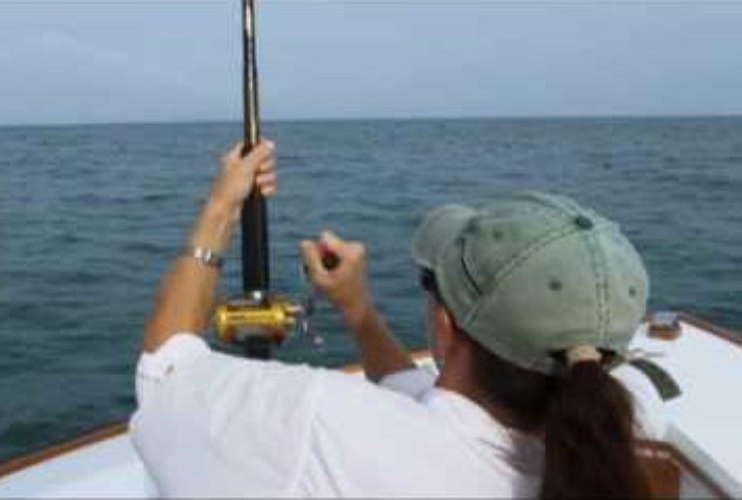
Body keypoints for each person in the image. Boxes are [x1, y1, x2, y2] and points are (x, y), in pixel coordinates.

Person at [131, 140, 666, 498]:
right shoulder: (628, 423)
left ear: (447, 325)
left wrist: (222, 206)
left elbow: (163, 374)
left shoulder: (323, 423)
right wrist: (358, 311)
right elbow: (429, 404)